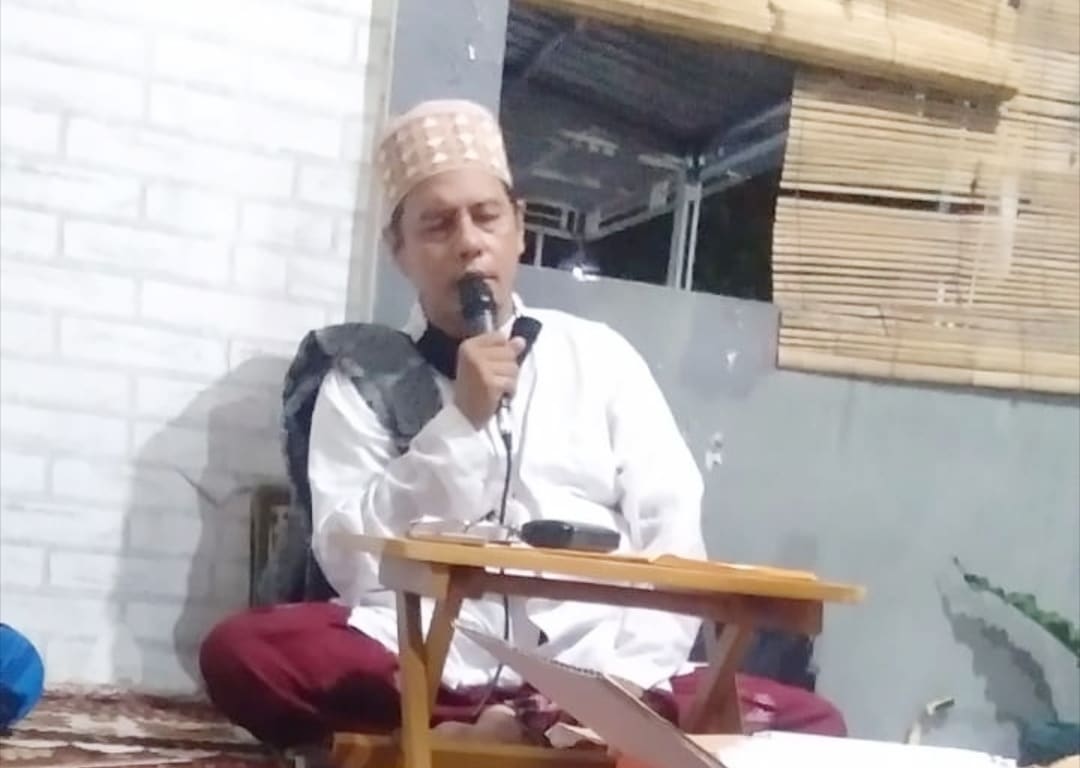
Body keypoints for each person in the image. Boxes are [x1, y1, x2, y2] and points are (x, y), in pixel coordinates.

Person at [198, 99, 844, 749]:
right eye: (437, 225)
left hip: (597, 663)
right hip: (429, 663)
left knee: (814, 726)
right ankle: (524, 736)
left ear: (519, 229)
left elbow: (672, 536)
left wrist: (627, 681)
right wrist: (458, 425)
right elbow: (350, 560)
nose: (468, 243)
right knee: (242, 654)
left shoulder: (599, 357)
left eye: (486, 217)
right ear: (399, 250)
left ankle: (509, 735)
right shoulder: (362, 380)